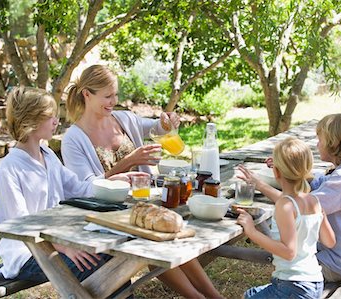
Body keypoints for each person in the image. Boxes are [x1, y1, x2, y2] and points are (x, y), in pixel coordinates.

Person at [61, 64, 223, 299]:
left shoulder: (123, 119)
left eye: (115, 94)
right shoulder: (73, 139)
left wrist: (168, 122)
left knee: (172, 237)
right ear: (86, 94)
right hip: (109, 215)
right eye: (107, 96)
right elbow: (88, 188)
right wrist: (128, 161)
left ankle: (213, 296)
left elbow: (156, 127)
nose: (113, 101)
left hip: (143, 204)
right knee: (156, 244)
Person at [0, 87, 136, 295]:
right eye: (50, 117)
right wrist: (63, 247)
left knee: (114, 254)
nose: (56, 122)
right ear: (31, 121)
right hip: (28, 253)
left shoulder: (47, 155)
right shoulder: (10, 168)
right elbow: (20, 226)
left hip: (57, 242)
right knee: (99, 263)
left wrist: (111, 180)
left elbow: (78, 188)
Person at [253, 113, 341, 288]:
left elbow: (298, 206)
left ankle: (283, 292)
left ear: (334, 144)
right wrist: (291, 168)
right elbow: (319, 182)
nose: (317, 145)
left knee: (291, 259)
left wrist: (260, 185)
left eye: (320, 139)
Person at [236, 137, 336, 299]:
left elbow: (289, 252)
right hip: (314, 282)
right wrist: (259, 184)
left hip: (293, 286)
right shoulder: (314, 201)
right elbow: (330, 241)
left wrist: (251, 231)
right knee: (249, 295)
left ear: (275, 171)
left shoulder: (286, 205)